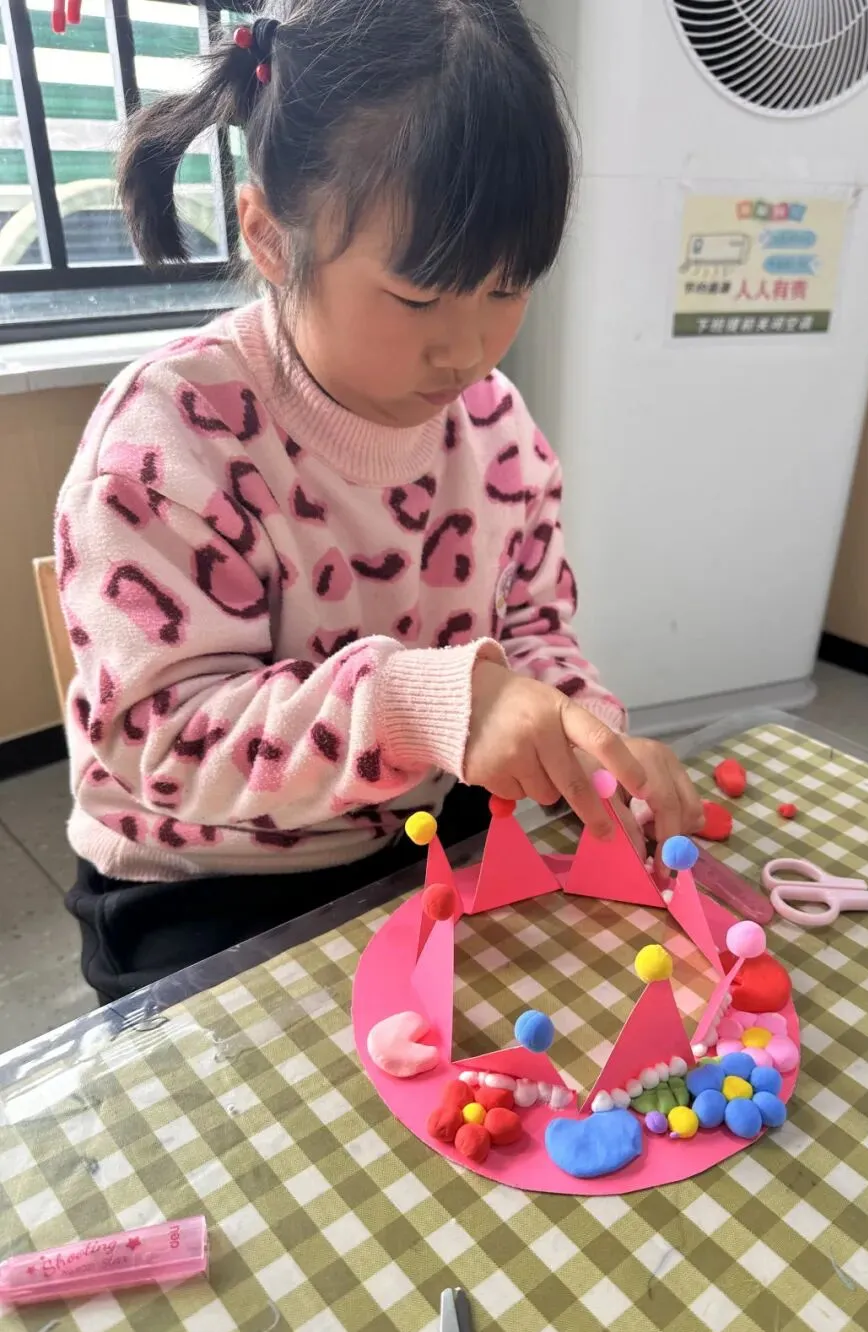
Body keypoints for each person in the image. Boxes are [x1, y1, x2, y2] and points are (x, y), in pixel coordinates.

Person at [56, 0, 703, 1003]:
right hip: (209, 877)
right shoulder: (170, 439)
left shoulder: (496, 429)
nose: (469, 349)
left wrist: (587, 741)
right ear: (270, 237)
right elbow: (164, 741)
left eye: (508, 288)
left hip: (428, 823)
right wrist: (426, 705)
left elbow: (534, 628)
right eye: (419, 297)